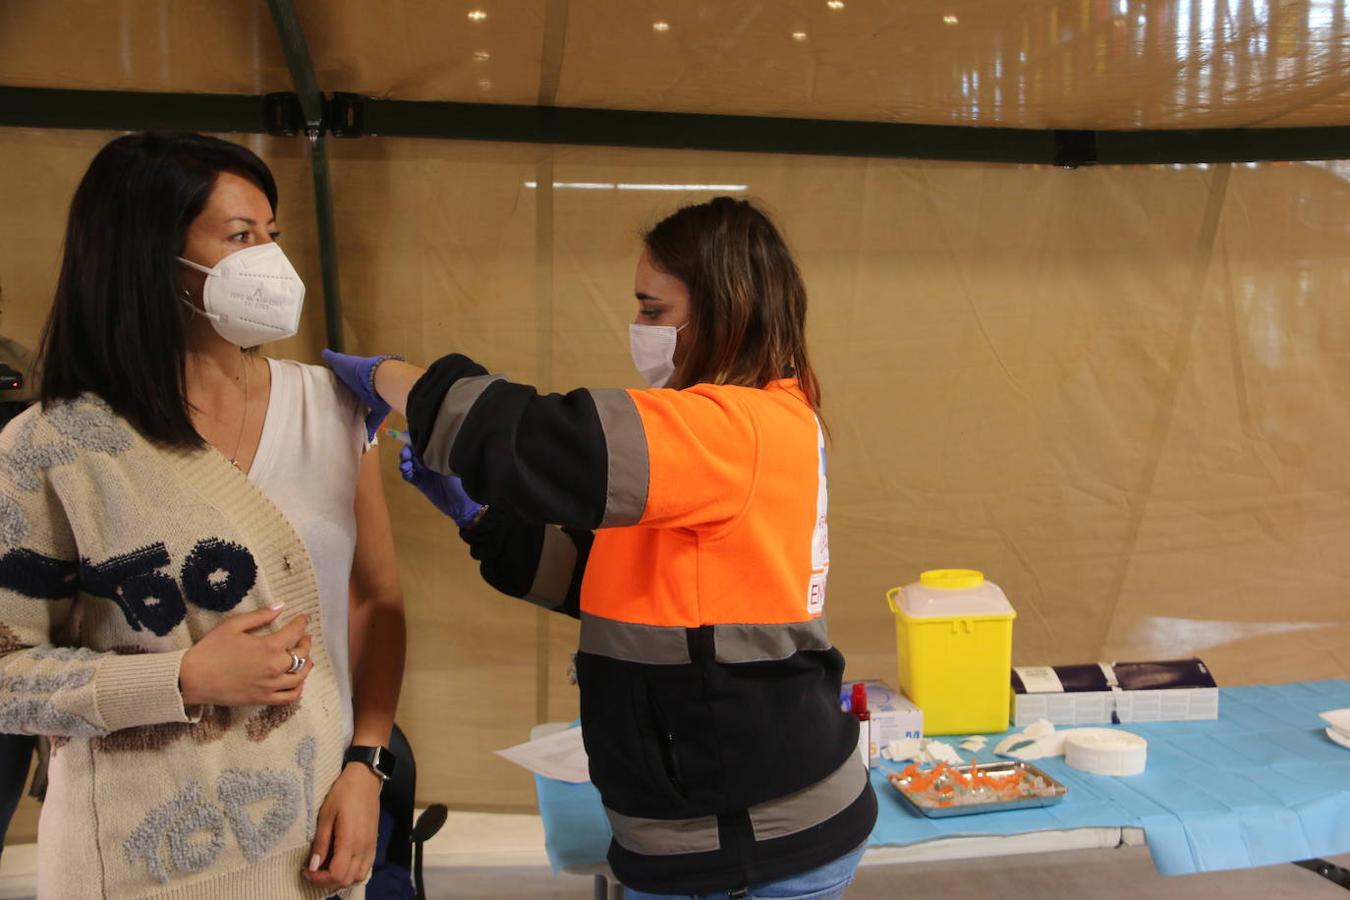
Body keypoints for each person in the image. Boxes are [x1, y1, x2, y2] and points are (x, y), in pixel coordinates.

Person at [325, 196, 876, 898]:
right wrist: (483, 518)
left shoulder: (738, 426)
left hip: (752, 841)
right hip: (706, 828)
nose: (638, 329)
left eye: (653, 311)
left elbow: (546, 440)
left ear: (726, 311)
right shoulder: (737, 430)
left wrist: (391, 378)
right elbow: (608, 579)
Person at [0, 131, 405, 898]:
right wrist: (180, 677)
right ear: (151, 256)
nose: (271, 262)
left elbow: (375, 598)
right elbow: (6, 671)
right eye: (241, 236)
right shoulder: (52, 447)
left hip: (313, 844)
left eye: (273, 234)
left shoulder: (334, 410)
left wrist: (368, 764)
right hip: (129, 864)